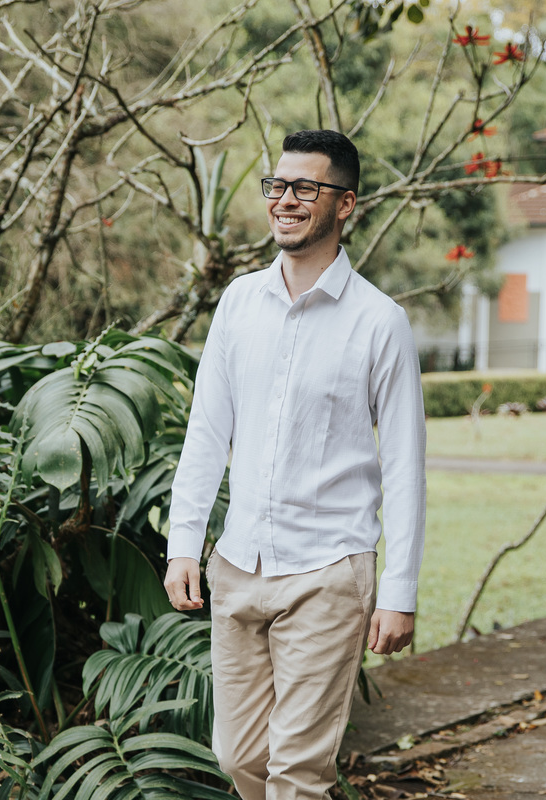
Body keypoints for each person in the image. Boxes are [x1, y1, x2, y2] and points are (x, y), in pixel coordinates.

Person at [163, 129, 427, 800]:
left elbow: (404, 466)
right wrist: (183, 543)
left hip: (328, 571)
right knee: (238, 756)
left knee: (297, 772)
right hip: (239, 565)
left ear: (346, 204)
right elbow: (207, 431)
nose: (285, 200)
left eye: (305, 188)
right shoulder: (238, 303)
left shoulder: (380, 322)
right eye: (277, 186)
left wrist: (399, 592)